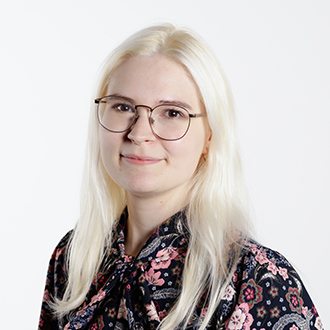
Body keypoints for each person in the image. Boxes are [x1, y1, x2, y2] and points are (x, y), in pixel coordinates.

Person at [38, 23, 323, 330]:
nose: (139, 133)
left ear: (210, 136)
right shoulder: (75, 256)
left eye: (172, 113)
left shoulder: (257, 279)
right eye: (122, 107)